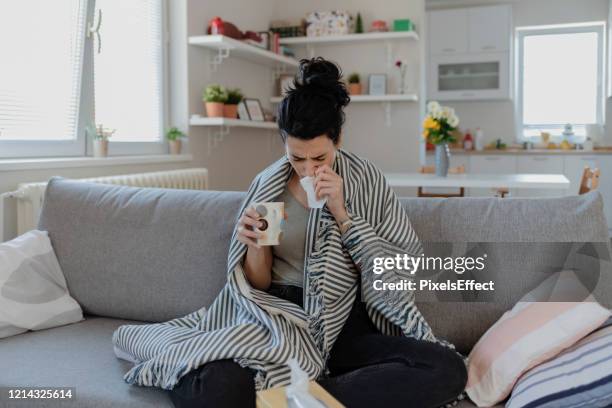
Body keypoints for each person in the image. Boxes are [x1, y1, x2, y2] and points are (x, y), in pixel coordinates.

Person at [167, 57, 467, 408]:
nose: (308, 169)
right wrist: (255, 247)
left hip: (344, 323)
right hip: (278, 318)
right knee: (215, 386)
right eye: (297, 158)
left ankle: (297, 397)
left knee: (446, 369)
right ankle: (308, 393)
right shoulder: (269, 187)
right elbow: (258, 285)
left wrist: (342, 213)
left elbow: (395, 271)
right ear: (283, 143)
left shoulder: (366, 180)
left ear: (338, 139)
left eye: (319, 158)